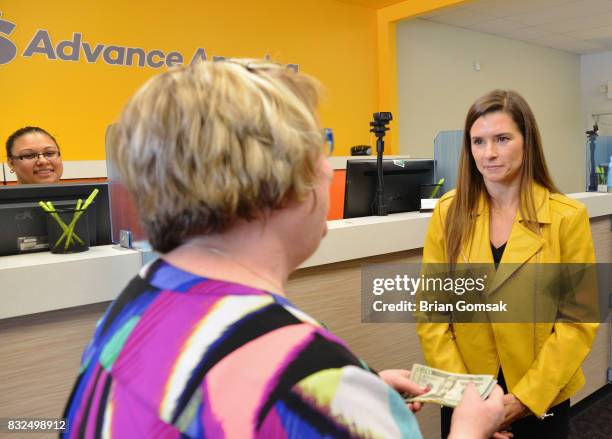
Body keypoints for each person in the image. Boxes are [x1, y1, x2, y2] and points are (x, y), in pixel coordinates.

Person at [62, 59, 505, 438]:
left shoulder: (139, 300)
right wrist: (467, 429)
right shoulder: (312, 379)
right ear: (283, 181)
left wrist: (360, 396)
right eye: (319, 147)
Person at [417, 89, 599, 439]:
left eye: (502, 139)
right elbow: (432, 314)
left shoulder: (567, 217)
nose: (490, 153)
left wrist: (525, 399)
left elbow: (579, 320)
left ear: (527, 142)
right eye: (478, 141)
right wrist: (468, 398)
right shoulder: (448, 213)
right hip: (464, 391)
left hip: (539, 392)